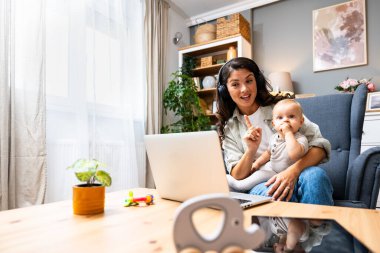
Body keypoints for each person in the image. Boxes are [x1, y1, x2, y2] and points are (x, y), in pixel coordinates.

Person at [216, 57, 333, 205]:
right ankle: (295, 228)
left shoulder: (282, 108)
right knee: (276, 193)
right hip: (262, 181)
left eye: (249, 81)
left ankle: (321, 228)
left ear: (256, 82)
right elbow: (237, 175)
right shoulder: (230, 127)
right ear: (225, 90)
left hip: (299, 170)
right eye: (235, 84)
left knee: (315, 177)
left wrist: (292, 172)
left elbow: (320, 146)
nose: (244, 89)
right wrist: (251, 151)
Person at [227, 99, 309, 192]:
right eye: (280, 118)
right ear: (274, 124)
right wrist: (256, 164)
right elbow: (268, 153)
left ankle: (239, 186)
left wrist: (288, 133)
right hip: (272, 169)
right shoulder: (274, 137)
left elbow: (294, 154)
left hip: (290, 173)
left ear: (301, 122)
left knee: (259, 177)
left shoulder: (301, 139)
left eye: (291, 116)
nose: (285, 120)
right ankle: (236, 184)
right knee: (258, 174)